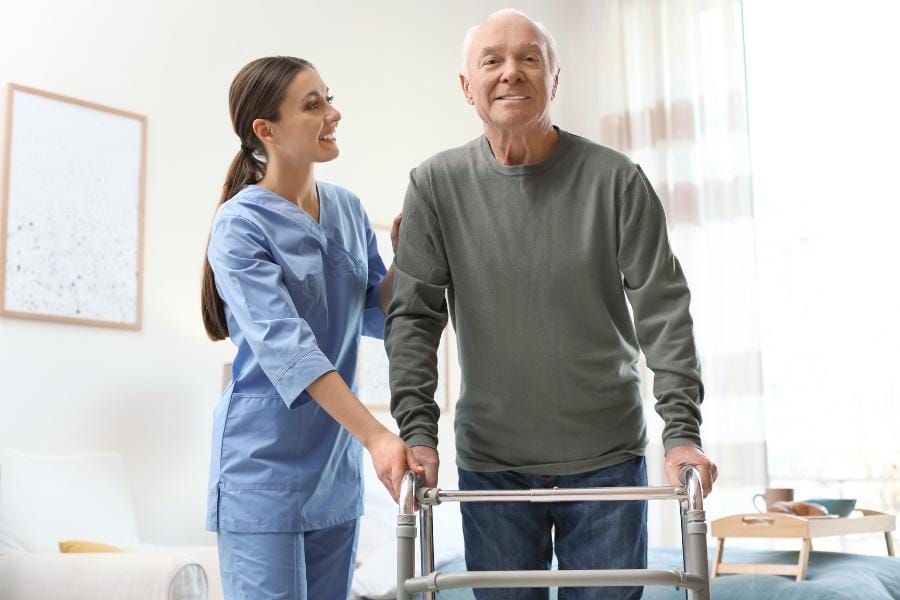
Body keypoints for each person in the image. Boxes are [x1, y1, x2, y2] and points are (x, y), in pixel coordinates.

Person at [385, 10, 718, 600]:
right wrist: (417, 431)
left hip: (606, 460)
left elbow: (663, 311)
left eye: (530, 58)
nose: (511, 72)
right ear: (467, 86)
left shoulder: (616, 180)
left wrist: (682, 434)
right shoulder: (434, 185)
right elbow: (413, 318)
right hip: (493, 465)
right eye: (492, 60)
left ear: (554, 78)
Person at [201, 56, 422, 600]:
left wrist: (405, 257)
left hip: (335, 470)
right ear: (266, 130)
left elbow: (378, 314)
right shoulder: (240, 225)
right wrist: (375, 435)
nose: (334, 112)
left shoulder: (346, 208)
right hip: (263, 472)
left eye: (329, 97)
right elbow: (289, 350)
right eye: (313, 104)